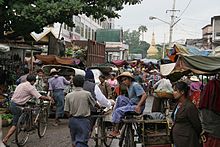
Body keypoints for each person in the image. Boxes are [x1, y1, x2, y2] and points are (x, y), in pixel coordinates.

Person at [2, 75, 53, 146]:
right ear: (33, 81)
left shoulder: (21, 84)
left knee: (27, 111)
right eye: (34, 82)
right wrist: (49, 98)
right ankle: (5, 139)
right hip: (17, 106)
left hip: (12, 103)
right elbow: (39, 96)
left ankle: (24, 125)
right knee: (15, 124)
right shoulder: (31, 87)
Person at [110, 72, 147, 137]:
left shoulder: (135, 85)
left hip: (137, 106)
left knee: (118, 110)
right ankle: (115, 122)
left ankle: (116, 130)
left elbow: (144, 95)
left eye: (125, 79)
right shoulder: (128, 87)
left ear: (130, 79)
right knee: (120, 98)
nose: (124, 81)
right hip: (131, 104)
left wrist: (138, 106)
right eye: (122, 80)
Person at [64, 75, 97, 147]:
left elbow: (66, 111)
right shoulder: (87, 94)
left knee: (74, 140)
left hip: (72, 120)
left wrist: (71, 116)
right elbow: (95, 104)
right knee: (82, 141)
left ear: (73, 83)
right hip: (84, 120)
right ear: (83, 83)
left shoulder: (68, 96)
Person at [171, 81, 202, 147]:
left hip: (186, 140)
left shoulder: (189, 106)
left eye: (175, 90)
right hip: (178, 139)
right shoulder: (178, 104)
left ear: (182, 92)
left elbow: (197, 125)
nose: (173, 93)